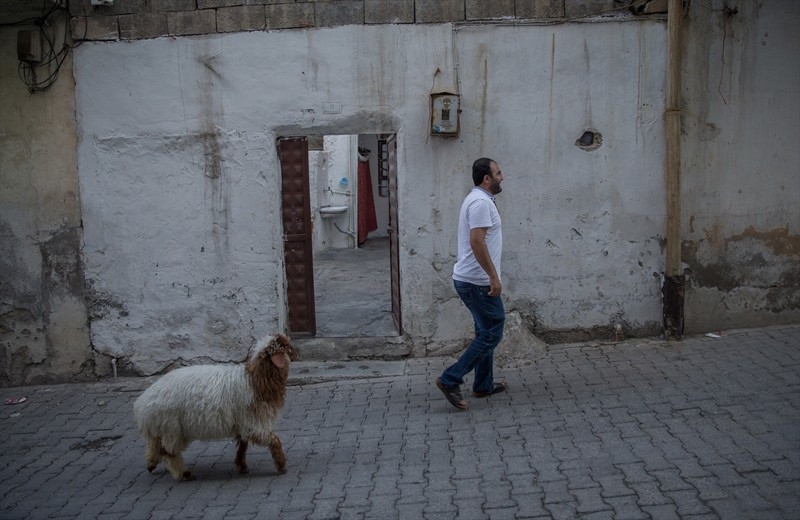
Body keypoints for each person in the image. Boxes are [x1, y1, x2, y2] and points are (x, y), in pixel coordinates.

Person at [436, 157, 508, 410]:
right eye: (498, 173)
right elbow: (477, 242)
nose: (502, 177)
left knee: (484, 329)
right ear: (486, 178)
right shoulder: (480, 203)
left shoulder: (480, 200)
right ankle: (451, 378)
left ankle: (483, 385)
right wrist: (493, 276)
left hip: (472, 280)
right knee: (492, 330)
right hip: (477, 282)